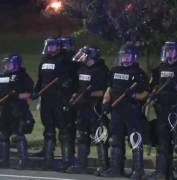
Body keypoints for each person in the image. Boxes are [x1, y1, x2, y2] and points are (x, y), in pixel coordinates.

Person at [100, 42, 149, 180]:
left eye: (127, 56)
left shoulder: (138, 74)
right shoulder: (114, 71)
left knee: (135, 140)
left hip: (132, 111)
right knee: (115, 140)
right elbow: (109, 89)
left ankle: (138, 171)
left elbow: (145, 93)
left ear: (133, 57)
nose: (124, 58)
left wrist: (133, 95)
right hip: (116, 111)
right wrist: (105, 103)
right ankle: (116, 169)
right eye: (122, 56)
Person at [148, 41, 177, 180]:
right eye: (167, 50)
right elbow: (154, 85)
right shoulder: (160, 68)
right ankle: (162, 173)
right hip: (162, 110)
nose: (168, 53)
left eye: (171, 50)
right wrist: (154, 92)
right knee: (162, 144)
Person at [65, 45, 109, 174]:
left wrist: (90, 94)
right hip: (82, 107)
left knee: (99, 136)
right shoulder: (81, 69)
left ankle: (103, 165)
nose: (82, 56)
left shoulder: (101, 70)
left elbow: (105, 91)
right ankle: (81, 164)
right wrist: (74, 97)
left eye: (85, 54)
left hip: (95, 107)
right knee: (81, 136)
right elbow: (80, 88)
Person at [32, 37, 74, 171]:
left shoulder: (64, 60)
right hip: (46, 100)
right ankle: (48, 161)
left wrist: (63, 84)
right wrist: (35, 92)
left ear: (58, 47)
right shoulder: (43, 61)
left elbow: (71, 78)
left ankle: (67, 160)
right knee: (49, 130)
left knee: (63, 131)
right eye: (48, 46)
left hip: (59, 98)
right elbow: (40, 80)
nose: (50, 48)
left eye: (52, 46)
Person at [0, 53, 34, 169]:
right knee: (3, 135)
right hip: (4, 110)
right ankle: (4, 161)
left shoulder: (23, 77)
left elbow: (30, 94)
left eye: (8, 63)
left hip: (18, 109)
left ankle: (23, 161)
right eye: (5, 64)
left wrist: (16, 96)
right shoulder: (2, 76)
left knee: (18, 136)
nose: (5, 66)